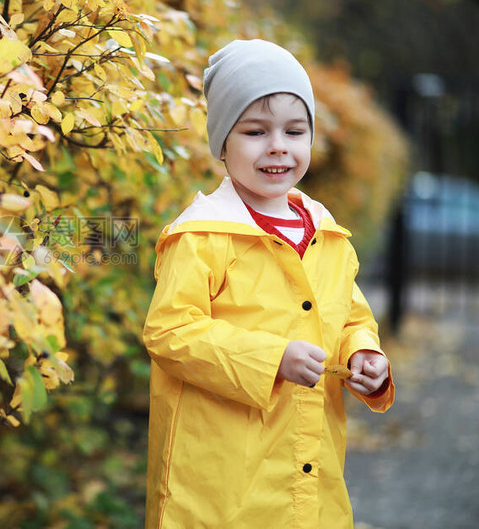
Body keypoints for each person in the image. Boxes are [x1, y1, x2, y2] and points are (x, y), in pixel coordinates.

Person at [142, 39, 395, 528]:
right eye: (256, 132)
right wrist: (271, 358)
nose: (278, 145)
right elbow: (170, 332)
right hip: (218, 489)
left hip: (307, 480)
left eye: (294, 131)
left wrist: (365, 355)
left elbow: (350, 317)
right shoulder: (201, 235)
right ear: (222, 143)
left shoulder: (326, 233)